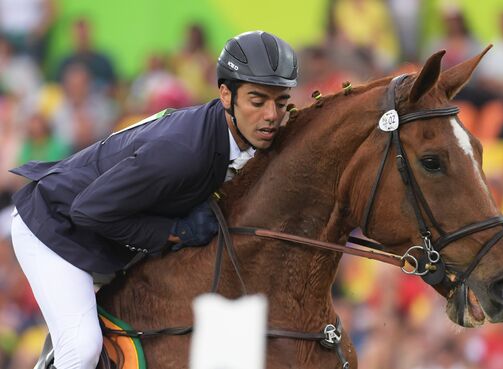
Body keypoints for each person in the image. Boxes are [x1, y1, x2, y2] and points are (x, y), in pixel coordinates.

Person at [9, 30, 298, 369]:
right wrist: (176, 231)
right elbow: (88, 211)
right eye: (258, 100)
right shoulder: (182, 152)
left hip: (104, 233)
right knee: (81, 349)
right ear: (225, 94)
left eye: (281, 102)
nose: (272, 116)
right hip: (54, 229)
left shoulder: (236, 135)